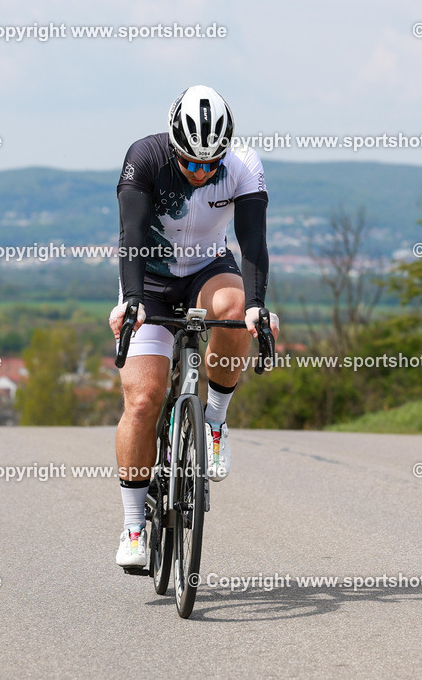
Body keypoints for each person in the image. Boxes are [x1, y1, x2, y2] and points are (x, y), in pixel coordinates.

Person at [109, 85, 280, 567]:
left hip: (209, 269)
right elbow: (133, 237)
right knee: (143, 399)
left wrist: (258, 307)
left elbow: (254, 242)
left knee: (234, 306)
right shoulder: (144, 157)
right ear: (174, 144)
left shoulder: (244, 165)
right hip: (151, 278)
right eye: (192, 163)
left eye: (211, 164)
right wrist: (133, 301)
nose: (202, 172)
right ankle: (134, 526)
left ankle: (216, 421)